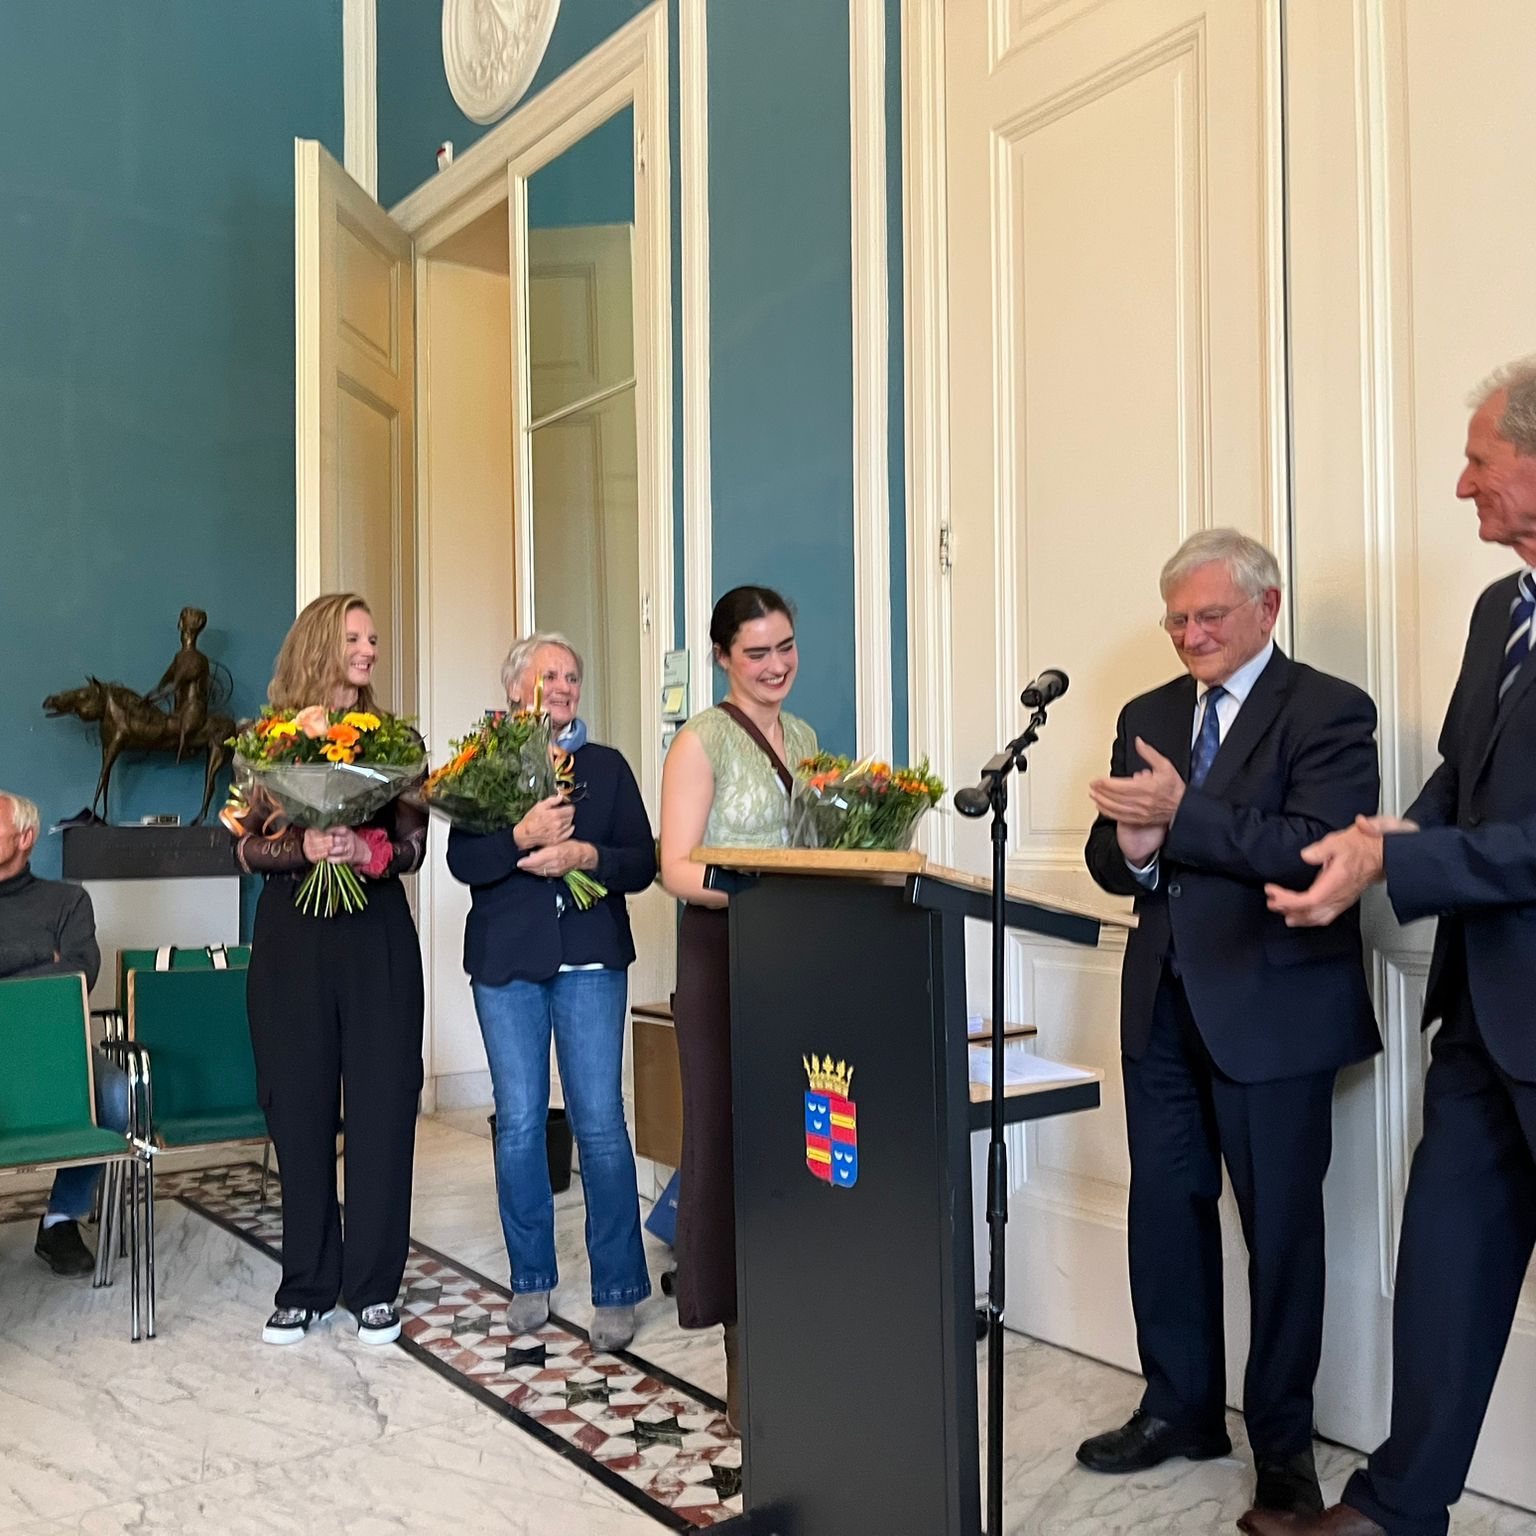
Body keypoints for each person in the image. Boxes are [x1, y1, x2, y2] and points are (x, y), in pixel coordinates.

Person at [1246, 360, 1536, 1536]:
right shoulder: (1500, 609)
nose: (1461, 484)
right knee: (1446, 1268)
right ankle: (1394, 1510)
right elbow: (1462, 781)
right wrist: (1372, 844)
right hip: (1482, 1008)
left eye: (1479, 459)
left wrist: (1393, 864)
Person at [1078, 529, 1381, 1518]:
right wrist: (1133, 845)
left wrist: (1183, 815)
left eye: (1210, 615)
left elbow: (1318, 849)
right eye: (1176, 620)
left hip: (1275, 1009)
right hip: (1162, 1004)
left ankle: (1284, 1446)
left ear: (1267, 608)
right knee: (1165, 1213)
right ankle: (1179, 1409)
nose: (1191, 635)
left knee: (1281, 1235)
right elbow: (1112, 858)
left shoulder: (1331, 709)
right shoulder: (1147, 713)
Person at [446, 633, 656, 1350]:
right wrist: (520, 835)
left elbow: (642, 861)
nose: (564, 686)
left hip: (591, 960)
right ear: (515, 689)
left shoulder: (607, 767)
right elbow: (463, 863)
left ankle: (618, 1288)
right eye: (550, 675)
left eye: (572, 675)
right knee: (519, 1123)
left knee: (599, 1122)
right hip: (506, 963)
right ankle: (531, 1277)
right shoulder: (484, 765)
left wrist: (584, 854)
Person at [233, 593, 426, 1348]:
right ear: (320, 645)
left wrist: (364, 850)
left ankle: (374, 1287)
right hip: (292, 937)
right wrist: (303, 848)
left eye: (373, 638)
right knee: (298, 1105)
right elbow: (243, 846)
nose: (369, 649)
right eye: (355, 638)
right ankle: (306, 1284)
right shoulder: (268, 742)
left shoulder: (396, 740)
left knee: (384, 1103)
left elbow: (413, 845)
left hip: (376, 934)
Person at [657, 585, 817, 1433]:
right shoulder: (701, 740)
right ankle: (742, 1365)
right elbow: (676, 867)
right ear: (723, 657)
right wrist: (760, 892)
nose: (775, 664)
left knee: (797, 1143)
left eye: (785, 646)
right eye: (757, 652)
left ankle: (800, 1331)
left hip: (796, 958)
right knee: (726, 1143)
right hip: (722, 955)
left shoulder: (809, 739)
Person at [0, 789, 128, 1277]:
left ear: (25, 837)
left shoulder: (68, 900)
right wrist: (39, 954)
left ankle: (61, 1218)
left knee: (116, 1094)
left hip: (57, 1046)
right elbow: (56, 966)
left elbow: (79, 974)